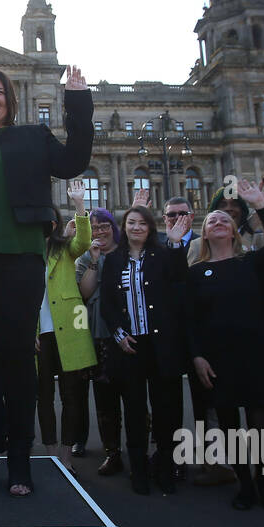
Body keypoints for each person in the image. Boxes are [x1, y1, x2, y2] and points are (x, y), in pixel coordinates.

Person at [0, 65, 94, 496]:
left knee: (17, 361)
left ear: (10, 101)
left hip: (18, 260)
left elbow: (74, 161)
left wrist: (78, 101)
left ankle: (20, 461)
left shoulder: (32, 138)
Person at [186, 180, 264, 510]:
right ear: (204, 234)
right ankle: (245, 485)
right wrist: (198, 355)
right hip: (218, 357)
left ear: (233, 232)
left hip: (254, 353)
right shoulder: (196, 273)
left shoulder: (251, 263)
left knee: (259, 425)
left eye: (225, 220)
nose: (218, 222)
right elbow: (191, 319)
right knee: (229, 427)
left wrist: (262, 207)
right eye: (211, 219)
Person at [101, 202, 191, 493]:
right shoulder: (114, 261)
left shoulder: (164, 255)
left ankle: (165, 466)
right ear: (124, 228)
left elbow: (181, 285)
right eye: (131, 223)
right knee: (135, 411)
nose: (136, 227)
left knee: (166, 410)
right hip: (131, 346)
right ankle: (138, 469)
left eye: (141, 223)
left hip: (161, 345)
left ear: (151, 227)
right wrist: (119, 335)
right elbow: (108, 305)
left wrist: (176, 244)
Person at [35, 183, 97, 472]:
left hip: (70, 331)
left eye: (51, 220)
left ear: (57, 224)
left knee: (71, 396)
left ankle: (66, 454)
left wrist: (80, 205)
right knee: (44, 397)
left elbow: (84, 241)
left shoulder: (66, 249)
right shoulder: (27, 254)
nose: (46, 225)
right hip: (40, 335)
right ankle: (49, 452)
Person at [76, 207, 133, 476]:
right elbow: (85, 292)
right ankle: (112, 452)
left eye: (104, 226)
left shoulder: (129, 254)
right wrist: (95, 261)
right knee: (104, 395)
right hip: (98, 331)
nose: (100, 231)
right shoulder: (86, 257)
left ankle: (138, 449)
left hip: (128, 331)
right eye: (95, 227)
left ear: (113, 227)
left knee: (133, 393)